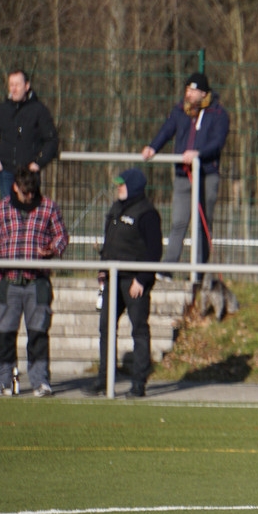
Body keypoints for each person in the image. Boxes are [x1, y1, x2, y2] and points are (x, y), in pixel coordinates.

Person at [0, 166, 68, 397]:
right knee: (3, 335)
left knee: (38, 334)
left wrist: (53, 248)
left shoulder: (48, 207)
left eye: (33, 192)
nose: (29, 197)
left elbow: (62, 236)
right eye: (25, 192)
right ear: (15, 188)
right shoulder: (2, 209)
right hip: (9, 281)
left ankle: (40, 381)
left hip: (37, 282)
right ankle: (3, 381)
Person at [83, 169, 163, 399]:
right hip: (112, 278)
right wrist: (102, 267)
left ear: (134, 187)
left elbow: (155, 250)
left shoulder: (147, 213)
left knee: (139, 330)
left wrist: (142, 279)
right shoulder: (116, 208)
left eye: (122, 185)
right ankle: (104, 380)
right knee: (106, 328)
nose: (118, 188)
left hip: (134, 280)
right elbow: (110, 242)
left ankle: (138, 384)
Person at [141, 72, 229, 274]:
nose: (188, 94)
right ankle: (168, 268)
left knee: (201, 224)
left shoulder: (218, 114)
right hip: (183, 176)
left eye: (192, 90)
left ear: (203, 93)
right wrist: (153, 148)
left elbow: (217, 143)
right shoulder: (180, 111)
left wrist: (198, 154)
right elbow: (166, 130)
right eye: (187, 89)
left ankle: (198, 271)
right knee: (178, 221)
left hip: (206, 176)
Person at [0, 69, 59, 200]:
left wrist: (38, 162)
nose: (14, 89)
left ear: (27, 86)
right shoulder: (1, 110)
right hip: (6, 171)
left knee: (30, 215)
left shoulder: (39, 110)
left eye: (17, 85)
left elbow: (52, 140)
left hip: (29, 174)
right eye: (11, 85)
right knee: (9, 216)